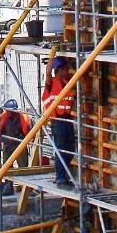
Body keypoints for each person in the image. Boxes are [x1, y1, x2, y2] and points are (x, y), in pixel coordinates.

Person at [42, 55, 75, 188]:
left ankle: (63, 176)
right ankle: (60, 178)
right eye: (65, 69)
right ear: (59, 69)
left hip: (67, 120)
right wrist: (51, 56)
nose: (67, 71)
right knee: (61, 149)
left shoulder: (66, 82)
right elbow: (48, 72)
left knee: (70, 149)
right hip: (58, 121)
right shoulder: (52, 82)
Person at [0, 99, 33, 195]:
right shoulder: (5, 117)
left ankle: (27, 189)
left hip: (20, 144)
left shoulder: (23, 117)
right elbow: (1, 130)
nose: (7, 112)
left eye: (8, 110)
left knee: (23, 167)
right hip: (8, 144)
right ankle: (8, 187)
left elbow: (30, 130)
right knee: (6, 166)